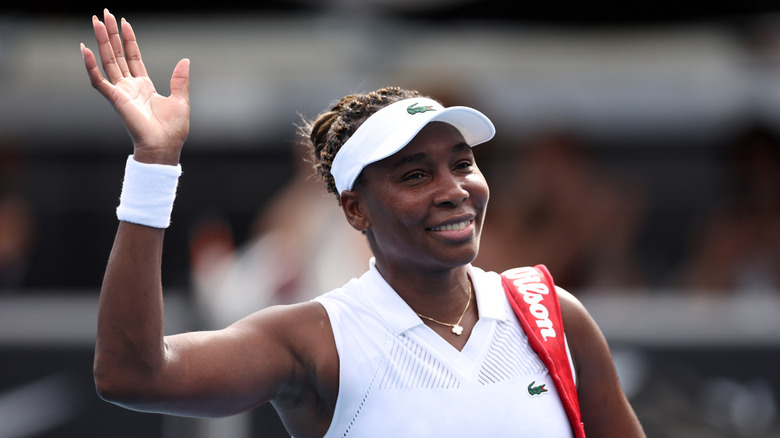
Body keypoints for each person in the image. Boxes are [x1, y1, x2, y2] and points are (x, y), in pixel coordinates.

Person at [81, 9, 645, 437]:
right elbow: (131, 374)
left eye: (463, 163)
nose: (454, 190)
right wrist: (153, 166)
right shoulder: (314, 338)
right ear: (355, 208)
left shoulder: (552, 313)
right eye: (416, 175)